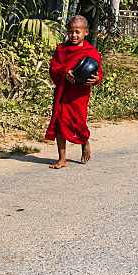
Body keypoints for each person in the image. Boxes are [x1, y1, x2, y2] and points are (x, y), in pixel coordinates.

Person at [45, 15, 103, 169]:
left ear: (86, 33)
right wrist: (65, 73)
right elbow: (54, 69)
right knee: (59, 122)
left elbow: (99, 72)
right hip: (63, 92)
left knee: (78, 122)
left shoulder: (90, 51)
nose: (74, 35)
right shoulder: (62, 49)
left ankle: (84, 142)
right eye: (71, 32)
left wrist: (96, 79)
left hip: (79, 94)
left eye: (77, 32)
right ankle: (62, 158)